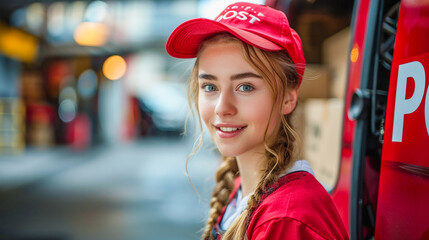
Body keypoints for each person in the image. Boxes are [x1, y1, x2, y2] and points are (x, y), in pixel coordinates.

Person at [166, 2, 349, 240]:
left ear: (288, 98)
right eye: (210, 87)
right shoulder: (246, 190)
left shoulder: (285, 220)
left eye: (245, 87)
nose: (222, 108)